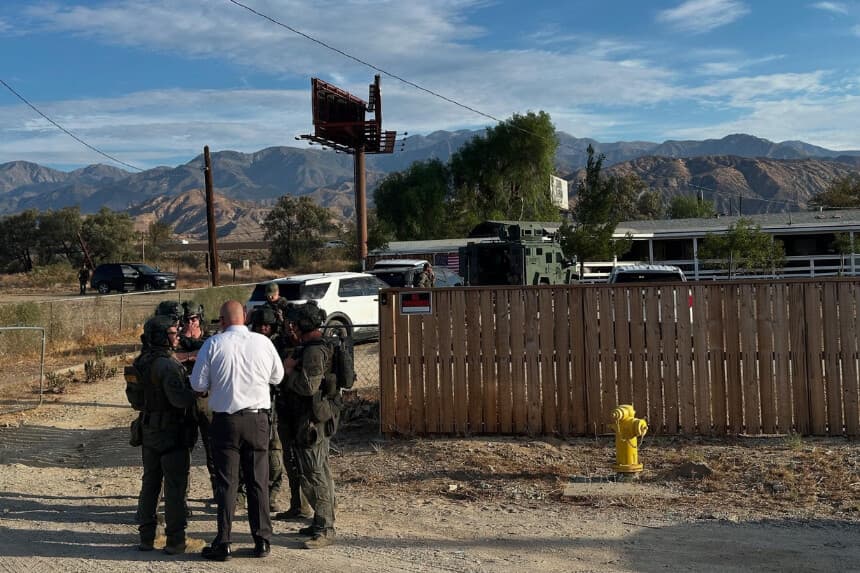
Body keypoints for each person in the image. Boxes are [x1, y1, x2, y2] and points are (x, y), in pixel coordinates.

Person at [190, 300, 284, 561]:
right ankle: (262, 540)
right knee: (258, 482)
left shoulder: (213, 344)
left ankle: (224, 542)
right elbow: (278, 377)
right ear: (246, 316)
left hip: (226, 421)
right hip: (257, 420)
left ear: (221, 320)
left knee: (227, 483)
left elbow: (198, 384)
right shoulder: (263, 343)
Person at [130, 315, 204, 555]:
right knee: (174, 488)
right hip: (171, 433)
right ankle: (175, 540)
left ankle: (146, 537)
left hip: (149, 430)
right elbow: (178, 399)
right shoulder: (167, 365)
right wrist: (195, 391)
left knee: (150, 484)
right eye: (173, 333)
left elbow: (135, 400)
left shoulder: (140, 362)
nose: (177, 337)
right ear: (162, 337)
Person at [279, 302, 338, 549]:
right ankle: (321, 520)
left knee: (314, 475)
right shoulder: (309, 347)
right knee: (319, 471)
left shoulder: (314, 351)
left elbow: (308, 386)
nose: (291, 326)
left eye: (295, 322)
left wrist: (287, 372)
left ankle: (325, 528)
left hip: (312, 422)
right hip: (309, 419)